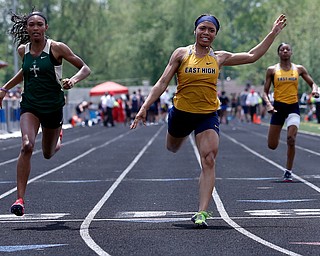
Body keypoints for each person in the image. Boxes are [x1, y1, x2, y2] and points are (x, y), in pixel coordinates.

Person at [131, 13, 286, 227]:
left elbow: (252, 55)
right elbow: (162, 82)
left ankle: (202, 212)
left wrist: (272, 34)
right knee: (172, 147)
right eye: (202, 28)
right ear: (195, 30)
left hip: (207, 115)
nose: (206, 33)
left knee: (209, 159)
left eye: (211, 30)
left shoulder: (219, 57)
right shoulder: (181, 54)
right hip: (182, 113)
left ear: (215, 34)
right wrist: (144, 107)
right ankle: (181, 135)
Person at [0, 10, 91, 216]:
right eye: (31, 24)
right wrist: (4, 89)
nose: (35, 28)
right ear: (27, 29)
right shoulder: (23, 50)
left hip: (52, 107)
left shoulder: (56, 48)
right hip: (30, 106)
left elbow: (85, 68)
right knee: (26, 145)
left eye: (39, 24)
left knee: (48, 153)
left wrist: (73, 80)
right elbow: (25, 71)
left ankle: (57, 138)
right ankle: (19, 199)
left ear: (45, 28)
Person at [262, 42, 319, 182]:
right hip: (278, 108)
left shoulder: (298, 69)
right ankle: (286, 167)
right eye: (282, 49)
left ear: (291, 52)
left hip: (293, 107)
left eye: (287, 49)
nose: (285, 51)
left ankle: (288, 171)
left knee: (291, 140)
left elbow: (313, 83)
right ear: (279, 53)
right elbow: (264, 92)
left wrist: (315, 90)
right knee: (272, 145)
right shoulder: (272, 70)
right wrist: (269, 105)